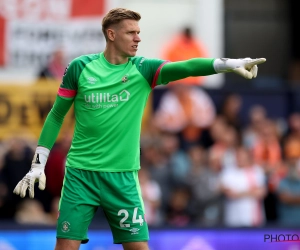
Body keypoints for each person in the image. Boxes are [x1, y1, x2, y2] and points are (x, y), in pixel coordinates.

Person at [13, 7, 266, 250]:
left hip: (122, 177)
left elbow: (187, 67)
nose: (138, 38)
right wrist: (38, 163)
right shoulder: (80, 68)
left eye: (139, 32)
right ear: (111, 35)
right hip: (80, 174)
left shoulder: (143, 69)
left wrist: (230, 63)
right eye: (130, 32)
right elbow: (56, 115)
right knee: (65, 246)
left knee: (137, 246)